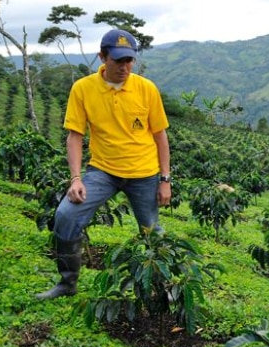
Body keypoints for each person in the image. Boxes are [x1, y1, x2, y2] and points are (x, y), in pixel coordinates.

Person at [36, 29, 172, 300]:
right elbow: (75, 137)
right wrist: (75, 179)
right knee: (65, 215)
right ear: (102, 57)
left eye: (129, 61)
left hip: (144, 173)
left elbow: (160, 136)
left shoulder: (146, 89)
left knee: (152, 232)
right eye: (118, 61)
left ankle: (163, 288)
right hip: (103, 170)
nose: (125, 67)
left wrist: (165, 179)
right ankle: (67, 282)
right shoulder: (83, 89)